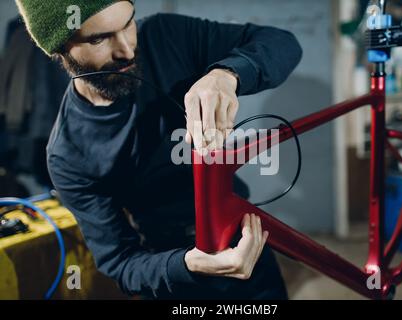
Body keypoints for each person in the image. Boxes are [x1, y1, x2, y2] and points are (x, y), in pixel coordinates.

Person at [15, 0, 302, 299]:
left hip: (245, 241)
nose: (126, 51)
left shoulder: (165, 35)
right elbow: (120, 262)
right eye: (99, 38)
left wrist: (226, 75)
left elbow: (282, 43)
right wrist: (185, 265)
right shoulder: (67, 154)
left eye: (128, 24)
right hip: (174, 274)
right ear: (58, 48)